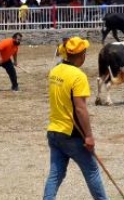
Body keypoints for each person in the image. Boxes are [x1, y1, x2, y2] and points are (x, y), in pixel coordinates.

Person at [43, 36, 108, 200]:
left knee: (56, 174)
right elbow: (80, 108)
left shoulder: (55, 71)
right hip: (72, 133)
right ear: (82, 54)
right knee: (92, 171)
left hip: (54, 131)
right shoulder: (78, 76)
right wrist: (89, 136)